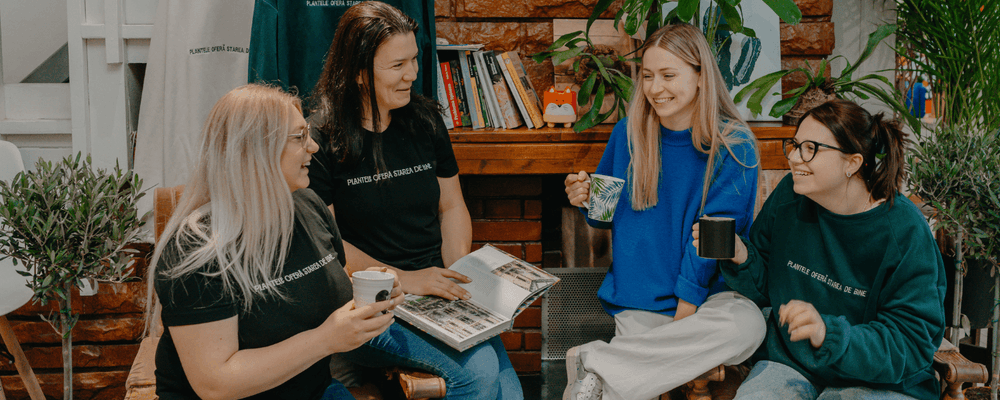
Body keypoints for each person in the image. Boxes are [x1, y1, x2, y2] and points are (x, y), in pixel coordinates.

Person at [306, 2, 522, 398]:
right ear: (357, 72)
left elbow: (451, 206)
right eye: (397, 65)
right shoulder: (321, 137)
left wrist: (459, 272)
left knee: (509, 391)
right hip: (372, 305)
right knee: (479, 376)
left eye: (414, 60)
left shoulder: (424, 121)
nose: (412, 75)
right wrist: (406, 279)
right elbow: (328, 243)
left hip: (436, 294)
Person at [147, 84, 402, 400]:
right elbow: (216, 382)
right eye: (299, 137)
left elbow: (323, 289)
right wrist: (326, 339)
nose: (314, 147)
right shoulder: (196, 250)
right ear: (253, 150)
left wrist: (374, 295)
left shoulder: (308, 206)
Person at [562, 23, 766, 400]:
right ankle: (615, 368)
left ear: (701, 76)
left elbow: (712, 242)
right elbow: (603, 216)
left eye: (669, 75)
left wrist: (682, 319)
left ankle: (595, 362)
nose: (655, 89)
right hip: (640, 299)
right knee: (640, 377)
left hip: (706, 302)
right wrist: (586, 199)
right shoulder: (627, 133)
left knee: (749, 325)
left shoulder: (734, 146)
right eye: (648, 76)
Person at [694, 99, 946, 400]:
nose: (794, 157)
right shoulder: (789, 196)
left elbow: (912, 341)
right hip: (791, 363)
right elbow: (766, 290)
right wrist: (742, 256)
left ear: (852, 163)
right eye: (795, 144)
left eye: (810, 148)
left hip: (881, 381)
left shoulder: (904, 231)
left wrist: (829, 334)